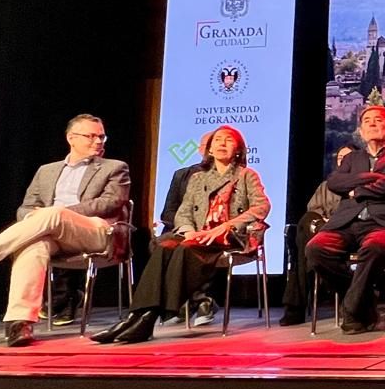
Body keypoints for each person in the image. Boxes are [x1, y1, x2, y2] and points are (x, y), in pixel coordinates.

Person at [0, 114, 131, 347]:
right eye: (91, 136)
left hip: (98, 232)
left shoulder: (115, 167)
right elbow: (26, 207)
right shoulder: (47, 170)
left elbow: (110, 203)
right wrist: (37, 216)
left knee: (54, 213)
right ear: (71, 138)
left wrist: (56, 213)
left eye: (101, 136)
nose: (99, 141)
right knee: (33, 247)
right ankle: (19, 323)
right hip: (53, 233)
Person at [92, 125, 269, 344]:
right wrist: (189, 232)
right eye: (217, 140)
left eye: (228, 140)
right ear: (210, 150)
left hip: (227, 237)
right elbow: (183, 213)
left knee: (186, 249)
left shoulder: (246, 175)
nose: (222, 144)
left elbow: (261, 207)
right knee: (164, 244)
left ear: (239, 150)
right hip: (198, 236)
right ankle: (135, 316)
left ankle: (147, 319)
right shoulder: (197, 178)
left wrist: (227, 226)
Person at [305, 105, 385, 334]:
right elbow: (335, 183)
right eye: (367, 121)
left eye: (378, 120)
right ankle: (363, 300)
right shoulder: (352, 158)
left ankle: (353, 311)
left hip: (383, 223)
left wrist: (360, 190)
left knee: (375, 248)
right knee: (315, 249)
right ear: (361, 130)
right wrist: (371, 177)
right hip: (346, 222)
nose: (372, 123)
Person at [279, 144, 354, 326]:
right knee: (305, 224)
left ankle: (295, 307)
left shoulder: (364, 185)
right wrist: (323, 224)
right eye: (339, 159)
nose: (343, 161)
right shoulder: (326, 186)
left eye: (348, 158)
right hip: (321, 232)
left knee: (303, 253)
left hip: (348, 234)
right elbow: (313, 211)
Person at [157, 130, 217, 327]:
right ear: (200, 149)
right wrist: (185, 227)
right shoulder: (182, 175)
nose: (212, 149)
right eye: (207, 145)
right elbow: (168, 211)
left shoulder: (235, 175)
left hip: (212, 231)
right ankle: (197, 302)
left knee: (194, 247)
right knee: (161, 244)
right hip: (183, 229)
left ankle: (195, 302)